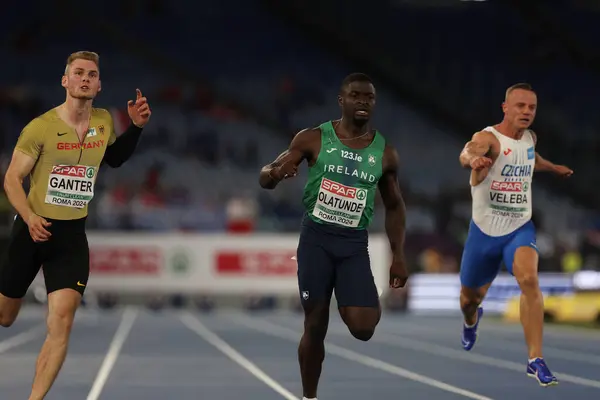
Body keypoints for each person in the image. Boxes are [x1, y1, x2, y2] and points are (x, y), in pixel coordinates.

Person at [0, 50, 151, 399]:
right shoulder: (40, 127)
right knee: (5, 316)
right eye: (78, 72)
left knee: (62, 322)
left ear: (98, 85)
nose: (85, 78)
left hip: (71, 238)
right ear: (65, 81)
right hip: (31, 230)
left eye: (92, 74)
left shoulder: (104, 122)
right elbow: (11, 180)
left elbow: (113, 158)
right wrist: (30, 216)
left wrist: (137, 128)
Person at [259, 73, 409, 400]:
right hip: (316, 240)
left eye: (369, 98)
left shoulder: (385, 154)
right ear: (342, 100)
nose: (363, 102)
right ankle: (309, 397)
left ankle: (346, 295)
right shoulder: (312, 138)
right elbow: (265, 177)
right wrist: (275, 173)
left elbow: (395, 206)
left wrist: (398, 256)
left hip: (354, 244)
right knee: (315, 323)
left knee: (364, 327)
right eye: (355, 96)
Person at [458, 83, 572, 387]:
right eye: (520, 106)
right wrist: (473, 161)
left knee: (529, 279)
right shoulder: (489, 139)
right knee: (468, 300)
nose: (526, 112)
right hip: (483, 233)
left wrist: (554, 168)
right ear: (505, 108)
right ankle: (471, 320)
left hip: (519, 227)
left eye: (531, 107)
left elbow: (531, 159)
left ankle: (536, 359)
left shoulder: (530, 138)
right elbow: (468, 151)